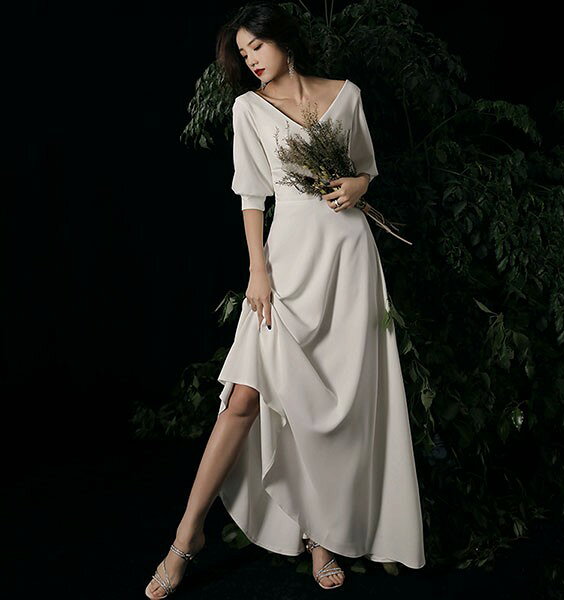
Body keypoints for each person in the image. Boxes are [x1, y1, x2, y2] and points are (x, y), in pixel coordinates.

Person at [145, 3, 425, 598]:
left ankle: (321, 538)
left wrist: (357, 185)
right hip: (285, 265)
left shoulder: (346, 95)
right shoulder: (249, 109)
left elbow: (366, 169)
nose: (249, 60)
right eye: (242, 53)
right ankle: (186, 537)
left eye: (256, 46)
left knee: (325, 406)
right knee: (244, 399)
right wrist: (258, 271)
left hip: (348, 261)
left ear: (283, 41)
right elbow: (252, 196)